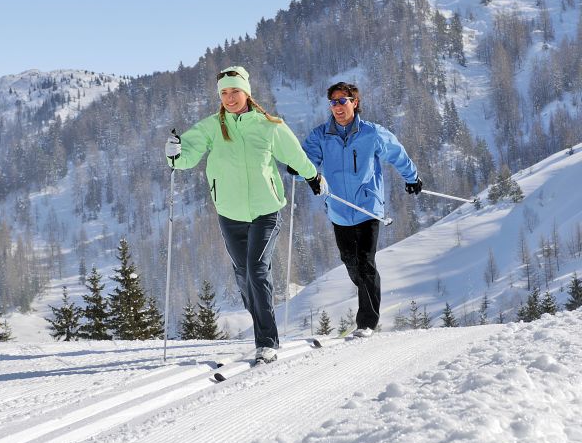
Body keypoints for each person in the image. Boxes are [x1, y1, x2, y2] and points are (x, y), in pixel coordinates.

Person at [164, 66, 323, 363]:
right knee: (243, 274)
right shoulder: (212, 126)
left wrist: (313, 177)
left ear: (246, 92)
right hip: (230, 213)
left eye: (234, 91)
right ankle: (262, 318)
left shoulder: (269, 125)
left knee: (256, 269)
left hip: (266, 210)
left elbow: (295, 156)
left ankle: (267, 341)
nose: (229, 97)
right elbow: (184, 159)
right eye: (224, 93)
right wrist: (173, 153)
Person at [297, 81, 422, 337]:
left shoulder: (372, 133)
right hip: (339, 210)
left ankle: (366, 322)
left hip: (367, 208)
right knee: (350, 261)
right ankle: (369, 292)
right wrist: (298, 169)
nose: (338, 107)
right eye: (333, 102)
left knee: (365, 262)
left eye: (343, 101)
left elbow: (397, 153)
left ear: (355, 102)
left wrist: (412, 178)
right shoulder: (321, 136)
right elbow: (305, 162)